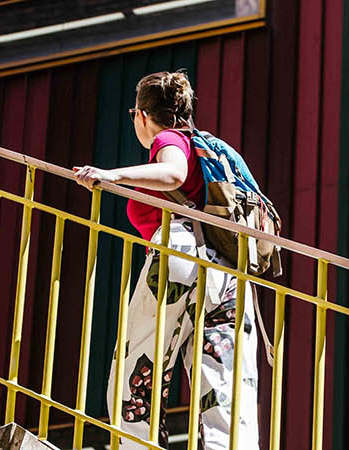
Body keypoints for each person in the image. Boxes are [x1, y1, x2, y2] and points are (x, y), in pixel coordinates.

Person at [72, 71, 259, 450]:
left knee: (138, 371)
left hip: (180, 256)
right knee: (224, 388)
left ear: (141, 114)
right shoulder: (216, 149)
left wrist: (112, 175)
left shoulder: (170, 140)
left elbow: (172, 173)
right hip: (229, 274)